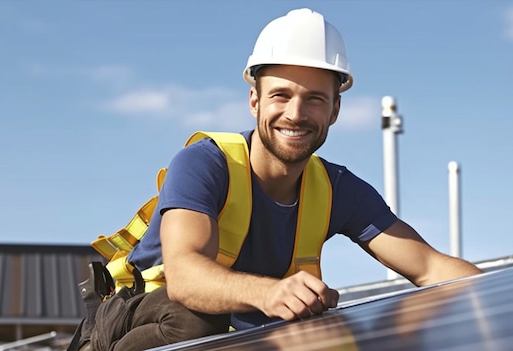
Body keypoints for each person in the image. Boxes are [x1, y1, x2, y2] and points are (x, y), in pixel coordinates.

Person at [94, 7, 482, 351]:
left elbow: (431, 268)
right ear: (254, 101)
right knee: (194, 319)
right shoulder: (204, 164)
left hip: (235, 339)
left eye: (315, 98)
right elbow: (184, 278)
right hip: (139, 325)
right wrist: (271, 292)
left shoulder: (338, 190)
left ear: (334, 110)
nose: (295, 113)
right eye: (280, 95)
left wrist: (509, 300)